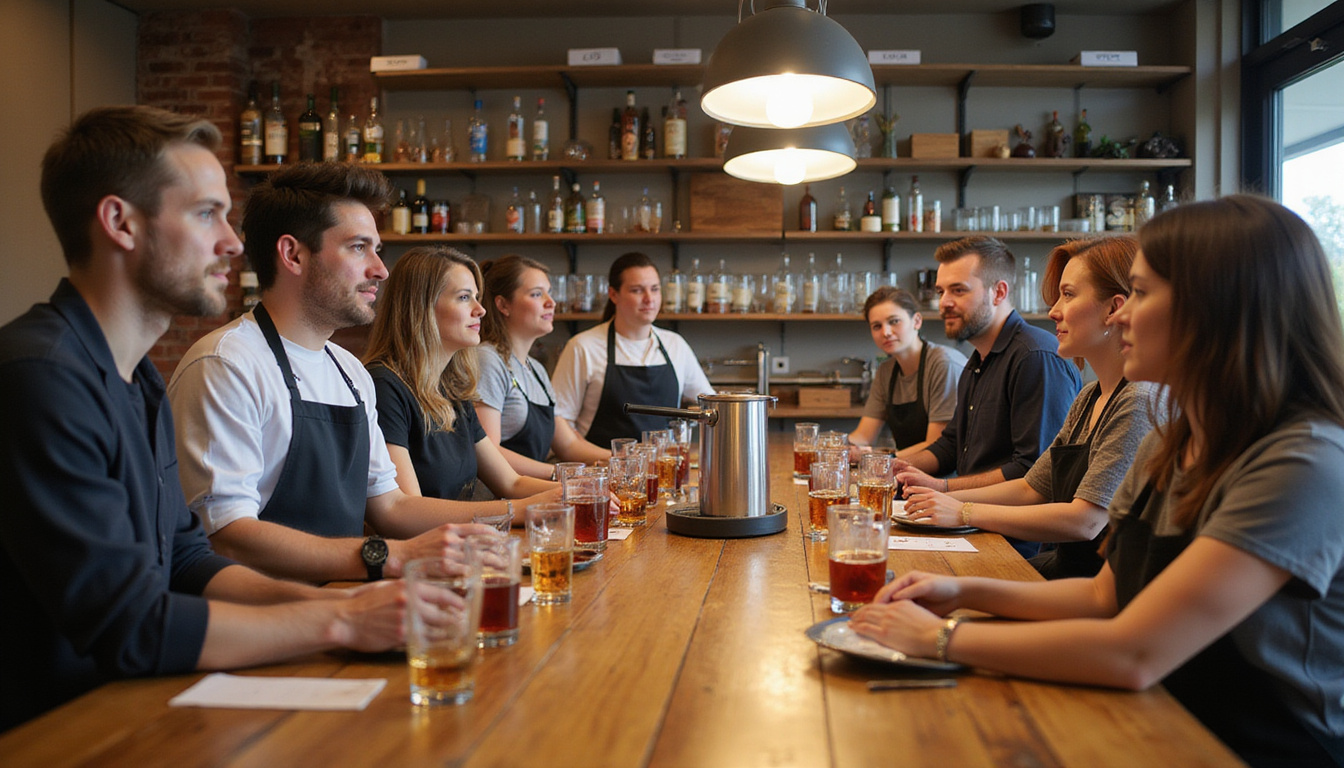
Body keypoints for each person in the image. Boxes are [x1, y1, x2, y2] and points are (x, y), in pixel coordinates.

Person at [852, 196, 1344, 767]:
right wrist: (959, 592)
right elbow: (1102, 596)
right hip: (1160, 713)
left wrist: (941, 639)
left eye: (1139, 293)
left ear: (1217, 305)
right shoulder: (1174, 441)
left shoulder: (1302, 462)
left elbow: (1135, 651)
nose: (1120, 315)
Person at [0, 106, 410, 731]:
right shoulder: (41, 375)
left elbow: (188, 560)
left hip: (134, 703)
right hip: (57, 731)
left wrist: (368, 602)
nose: (234, 241)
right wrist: (342, 620)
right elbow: (130, 624)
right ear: (120, 223)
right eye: (204, 214)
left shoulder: (136, 378)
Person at [168, 163, 493, 585]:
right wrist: (388, 558)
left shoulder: (351, 373)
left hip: (345, 604)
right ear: (294, 254)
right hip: (266, 626)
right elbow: (228, 537)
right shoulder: (227, 365)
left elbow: (390, 507)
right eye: (359, 248)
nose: (380, 269)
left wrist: (505, 519)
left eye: (376, 249)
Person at [901, 236, 1164, 578]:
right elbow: (1032, 488)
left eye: (1067, 295)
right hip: (1064, 572)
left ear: (1114, 309)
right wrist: (945, 495)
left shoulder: (1137, 400)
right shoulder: (1089, 398)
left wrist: (963, 511)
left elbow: (1085, 521)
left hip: (1089, 589)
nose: (1053, 310)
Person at [894, 236, 1082, 556]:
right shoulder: (978, 359)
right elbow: (951, 445)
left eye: (959, 290)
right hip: (970, 527)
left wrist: (944, 489)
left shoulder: (1035, 357)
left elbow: (1031, 471)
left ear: (999, 292)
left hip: (1015, 544)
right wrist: (891, 468)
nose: (944, 302)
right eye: (941, 292)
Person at [362, 247, 560, 507]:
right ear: (421, 306)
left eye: (477, 297)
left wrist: (581, 488)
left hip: (465, 541)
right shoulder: (385, 386)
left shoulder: (451, 388)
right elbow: (407, 510)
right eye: (464, 297)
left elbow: (510, 482)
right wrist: (516, 510)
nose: (480, 310)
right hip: (425, 546)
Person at [552, 252, 714, 445]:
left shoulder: (675, 344)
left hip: (663, 469)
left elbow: (710, 408)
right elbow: (559, 421)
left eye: (654, 289)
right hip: (603, 470)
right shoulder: (583, 347)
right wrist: (615, 459)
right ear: (613, 294)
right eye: (637, 290)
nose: (649, 298)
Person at [474, 254, 610, 478]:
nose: (551, 302)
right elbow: (489, 453)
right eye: (537, 294)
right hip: (497, 503)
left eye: (549, 292)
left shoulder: (535, 369)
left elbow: (567, 444)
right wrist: (565, 474)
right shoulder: (488, 360)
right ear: (503, 305)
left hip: (536, 498)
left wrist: (622, 459)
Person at [847, 286, 967, 456]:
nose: (886, 332)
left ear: (917, 321)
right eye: (876, 326)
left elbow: (938, 446)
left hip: (950, 477)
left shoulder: (943, 363)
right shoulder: (885, 372)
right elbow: (863, 436)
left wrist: (882, 460)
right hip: (908, 472)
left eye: (894, 321)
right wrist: (837, 449)